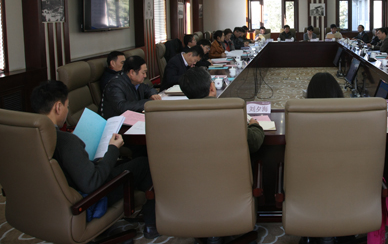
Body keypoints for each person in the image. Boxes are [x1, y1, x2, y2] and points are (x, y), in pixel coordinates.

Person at [32, 80, 159, 239]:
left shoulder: (29, 137)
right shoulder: (66, 142)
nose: (67, 110)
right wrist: (113, 148)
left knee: (124, 163)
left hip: (49, 202)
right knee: (143, 164)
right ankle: (151, 224)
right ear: (58, 107)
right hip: (85, 201)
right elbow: (92, 183)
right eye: (67, 106)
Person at [179, 68, 264, 153]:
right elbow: (254, 143)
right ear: (212, 88)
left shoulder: (179, 116)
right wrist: (255, 126)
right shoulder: (230, 111)